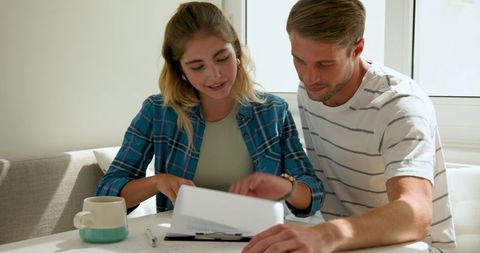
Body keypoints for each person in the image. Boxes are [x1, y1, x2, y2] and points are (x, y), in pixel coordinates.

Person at [243, 0, 455, 252]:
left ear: (357, 49)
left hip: (413, 246)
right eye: (299, 60)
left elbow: (416, 215)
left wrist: (326, 234)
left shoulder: (399, 105)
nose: (309, 77)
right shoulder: (313, 91)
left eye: (324, 64)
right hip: (346, 246)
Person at [96, 2, 324, 219]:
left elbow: (313, 195)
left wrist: (286, 187)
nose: (215, 74)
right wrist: (158, 182)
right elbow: (107, 193)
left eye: (222, 58)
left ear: (236, 52)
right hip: (182, 244)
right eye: (197, 66)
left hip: (259, 240)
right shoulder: (157, 112)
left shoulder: (273, 112)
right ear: (181, 70)